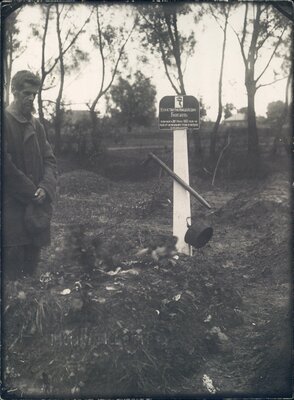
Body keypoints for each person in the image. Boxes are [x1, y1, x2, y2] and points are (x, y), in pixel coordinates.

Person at [3, 70, 58, 280]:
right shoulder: (5, 121)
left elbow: (50, 160)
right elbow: (4, 165)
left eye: (34, 94)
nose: (31, 98)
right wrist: (31, 191)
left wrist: (45, 187)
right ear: (14, 91)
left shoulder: (36, 125)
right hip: (11, 209)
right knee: (12, 273)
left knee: (31, 269)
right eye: (26, 93)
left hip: (36, 210)